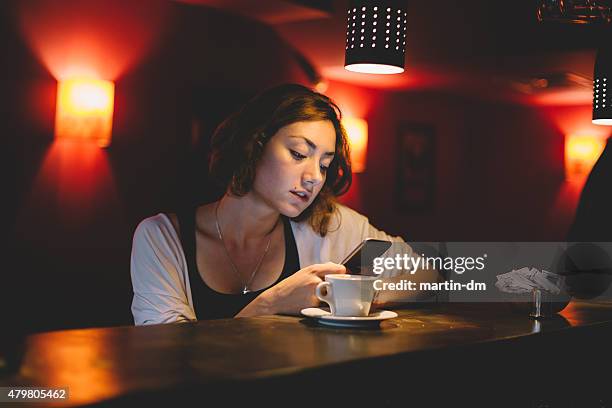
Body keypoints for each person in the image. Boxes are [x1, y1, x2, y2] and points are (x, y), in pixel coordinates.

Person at [130, 83, 437, 325]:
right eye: (299, 154)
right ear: (254, 144)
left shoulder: (326, 224)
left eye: (325, 164)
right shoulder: (161, 238)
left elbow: (430, 274)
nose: (314, 177)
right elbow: (169, 357)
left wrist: (349, 294)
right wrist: (272, 303)